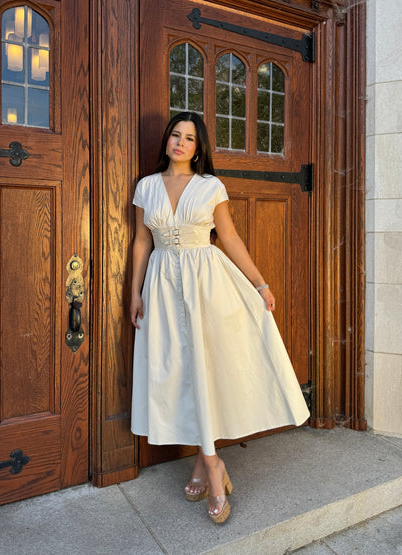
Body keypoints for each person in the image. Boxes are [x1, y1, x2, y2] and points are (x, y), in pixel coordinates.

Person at [130, 112, 309, 524]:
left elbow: (228, 237)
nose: (180, 143)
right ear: (167, 141)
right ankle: (207, 460)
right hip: (160, 287)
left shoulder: (211, 186)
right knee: (178, 373)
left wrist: (260, 284)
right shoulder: (147, 187)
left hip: (206, 284)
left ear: (199, 148)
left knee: (207, 369)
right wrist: (133, 292)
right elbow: (142, 240)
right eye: (175, 135)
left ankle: (211, 466)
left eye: (189, 138)